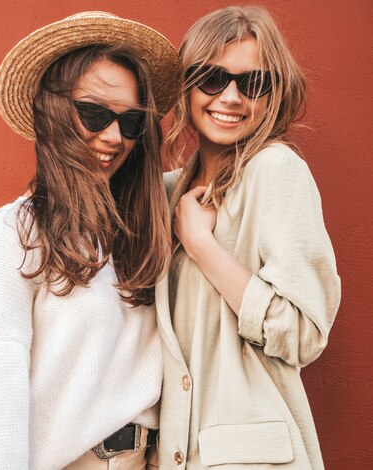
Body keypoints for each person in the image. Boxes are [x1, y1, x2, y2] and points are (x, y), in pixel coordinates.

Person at [0, 12, 181, 469]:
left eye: (130, 123)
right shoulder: (16, 233)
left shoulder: (142, 228)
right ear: (54, 112)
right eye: (95, 113)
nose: (114, 137)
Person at [155, 6, 341, 469]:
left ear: (274, 92)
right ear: (186, 85)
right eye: (212, 78)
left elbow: (303, 333)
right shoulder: (166, 190)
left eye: (253, 83)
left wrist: (202, 246)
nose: (232, 97)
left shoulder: (276, 171)